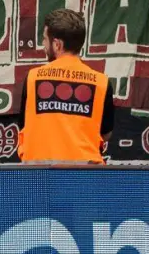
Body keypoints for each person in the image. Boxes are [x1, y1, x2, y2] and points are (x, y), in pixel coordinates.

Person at [17, 8, 114, 163]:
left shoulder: (33, 78)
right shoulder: (101, 82)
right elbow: (106, 133)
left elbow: (24, 125)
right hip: (86, 176)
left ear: (57, 45)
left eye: (44, 39)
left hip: (38, 178)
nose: (43, 44)